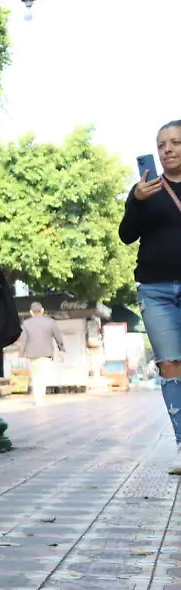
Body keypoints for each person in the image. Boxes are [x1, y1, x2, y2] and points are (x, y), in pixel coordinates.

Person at [119, 120, 181, 471]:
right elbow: (126, 235)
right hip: (155, 289)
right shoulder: (146, 189)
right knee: (170, 364)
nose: (168, 150)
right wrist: (137, 202)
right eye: (161, 145)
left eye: (175, 143)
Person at [19, 302, 65, 406]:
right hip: (46, 354)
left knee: (36, 376)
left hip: (32, 355)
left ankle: (37, 398)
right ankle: (41, 398)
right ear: (42, 310)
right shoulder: (50, 322)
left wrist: (21, 354)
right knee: (43, 376)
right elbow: (58, 337)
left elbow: (23, 340)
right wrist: (61, 349)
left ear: (31, 312)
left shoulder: (26, 324)